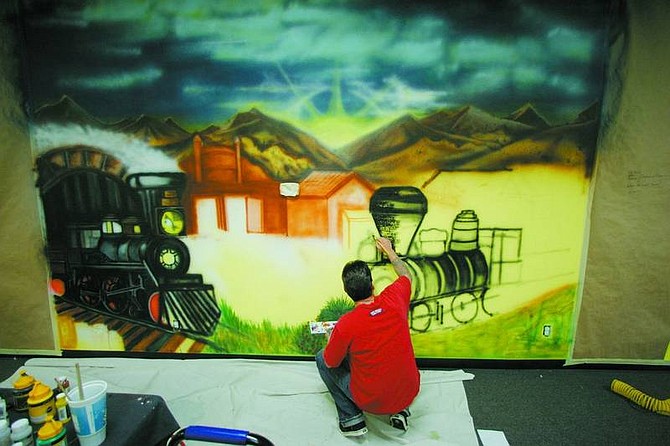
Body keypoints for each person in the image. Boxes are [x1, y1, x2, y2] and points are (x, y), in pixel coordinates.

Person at [315, 236, 420, 437]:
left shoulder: (347, 324)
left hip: (372, 401)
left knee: (321, 357)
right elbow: (405, 274)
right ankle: (400, 410)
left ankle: (351, 419)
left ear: (347, 292)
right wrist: (389, 251)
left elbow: (330, 362)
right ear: (372, 285)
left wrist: (331, 339)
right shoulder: (395, 298)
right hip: (408, 392)